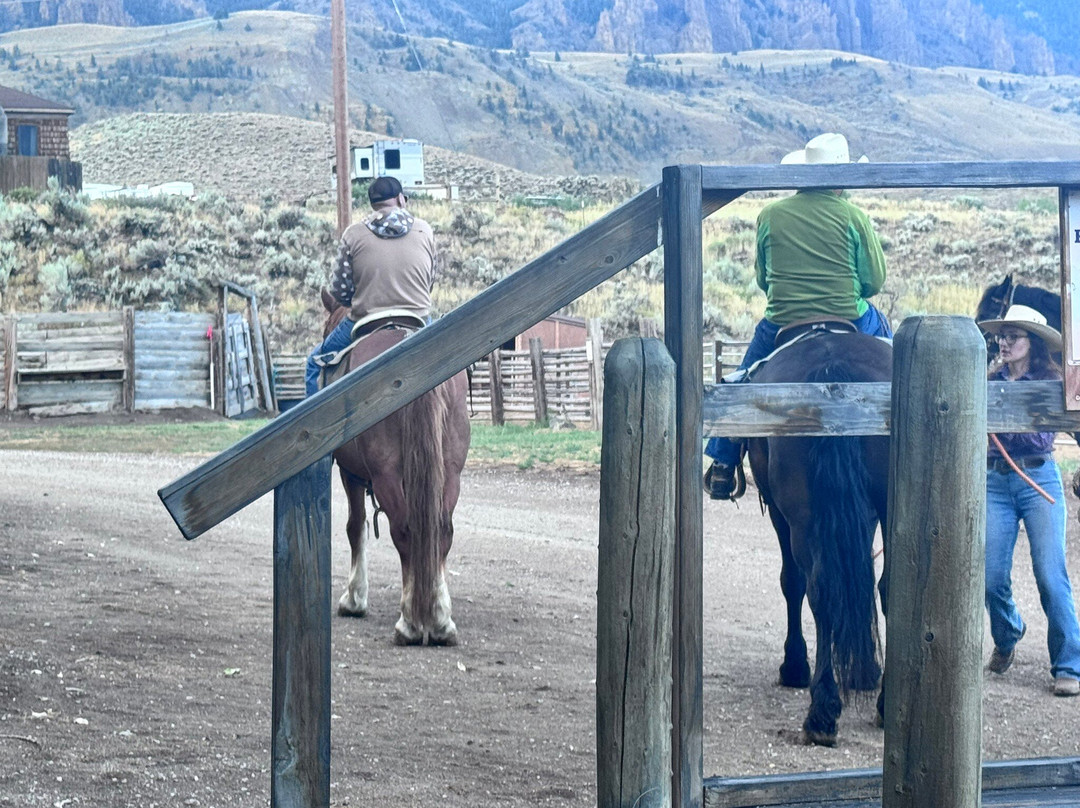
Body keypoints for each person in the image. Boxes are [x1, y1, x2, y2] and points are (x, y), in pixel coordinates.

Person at [704, 132, 892, 500]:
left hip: (783, 321)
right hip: (849, 317)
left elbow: (763, 279)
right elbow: (873, 281)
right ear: (842, 178)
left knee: (744, 379)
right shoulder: (854, 216)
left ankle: (724, 460)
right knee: (897, 358)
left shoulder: (771, 215)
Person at [978, 304, 1080, 697]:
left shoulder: (1053, 383)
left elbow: (1057, 428)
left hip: (1039, 477)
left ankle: (1069, 663)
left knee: (1051, 575)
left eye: (1013, 336)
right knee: (989, 576)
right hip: (994, 482)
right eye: (1001, 336)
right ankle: (1007, 634)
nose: (1003, 342)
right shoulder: (987, 381)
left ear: (1032, 344)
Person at [305, 176, 437, 397]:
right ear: (400, 199)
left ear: (373, 204)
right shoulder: (425, 230)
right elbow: (430, 280)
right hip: (418, 318)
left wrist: (363, 296)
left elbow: (339, 291)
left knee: (314, 364)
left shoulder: (353, 234)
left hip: (366, 320)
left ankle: (313, 428)